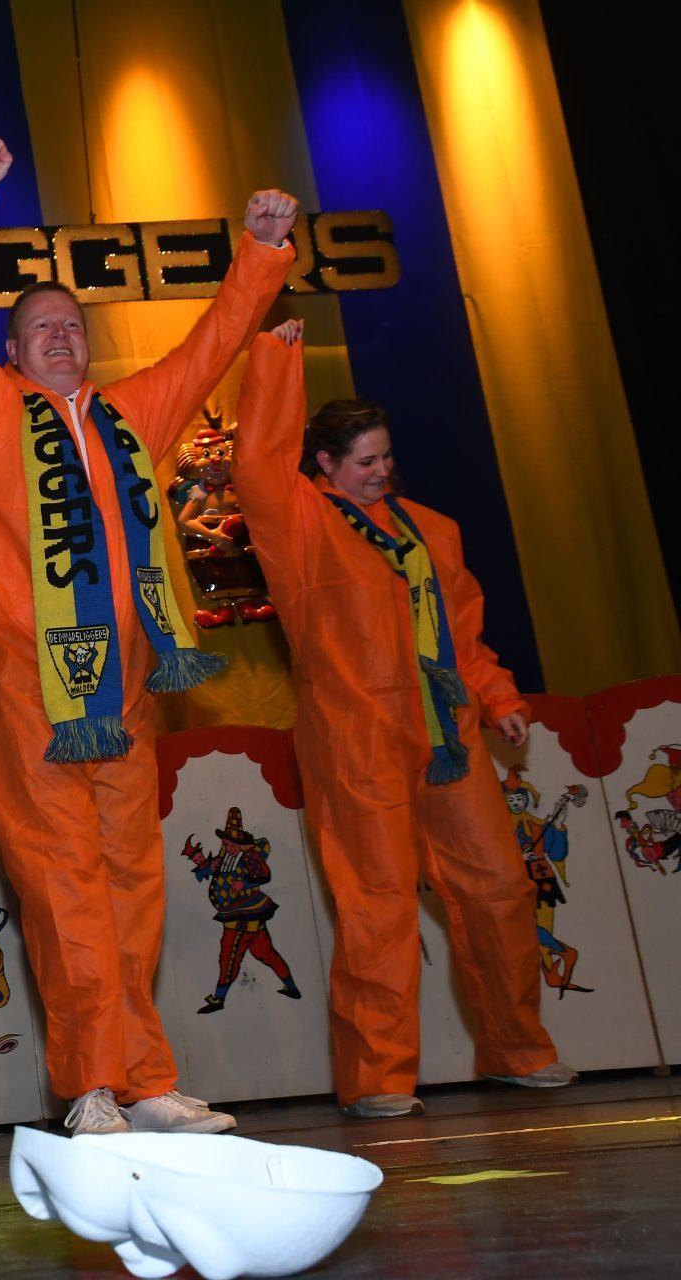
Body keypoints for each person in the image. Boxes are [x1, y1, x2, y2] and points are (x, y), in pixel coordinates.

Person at [0, 137, 299, 1137]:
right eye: (40, 327)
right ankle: (89, 1083)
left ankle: (142, 1075)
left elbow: (209, 348)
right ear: (11, 351)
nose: (60, 338)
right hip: (27, 688)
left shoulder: (129, 417)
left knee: (133, 883)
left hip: (124, 693)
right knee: (65, 883)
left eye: (73, 327)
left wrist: (260, 256)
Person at [230, 319, 574, 1118]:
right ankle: (378, 1077)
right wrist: (276, 361)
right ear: (324, 464)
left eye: (386, 457)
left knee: (499, 890)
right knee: (376, 904)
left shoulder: (433, 531)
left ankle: (518, 1050)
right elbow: (255, 464)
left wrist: (501, 701)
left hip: (447, 738)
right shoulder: (301, 525)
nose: (381, 471)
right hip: (354, 739)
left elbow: (465, 639)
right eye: (364, 461)